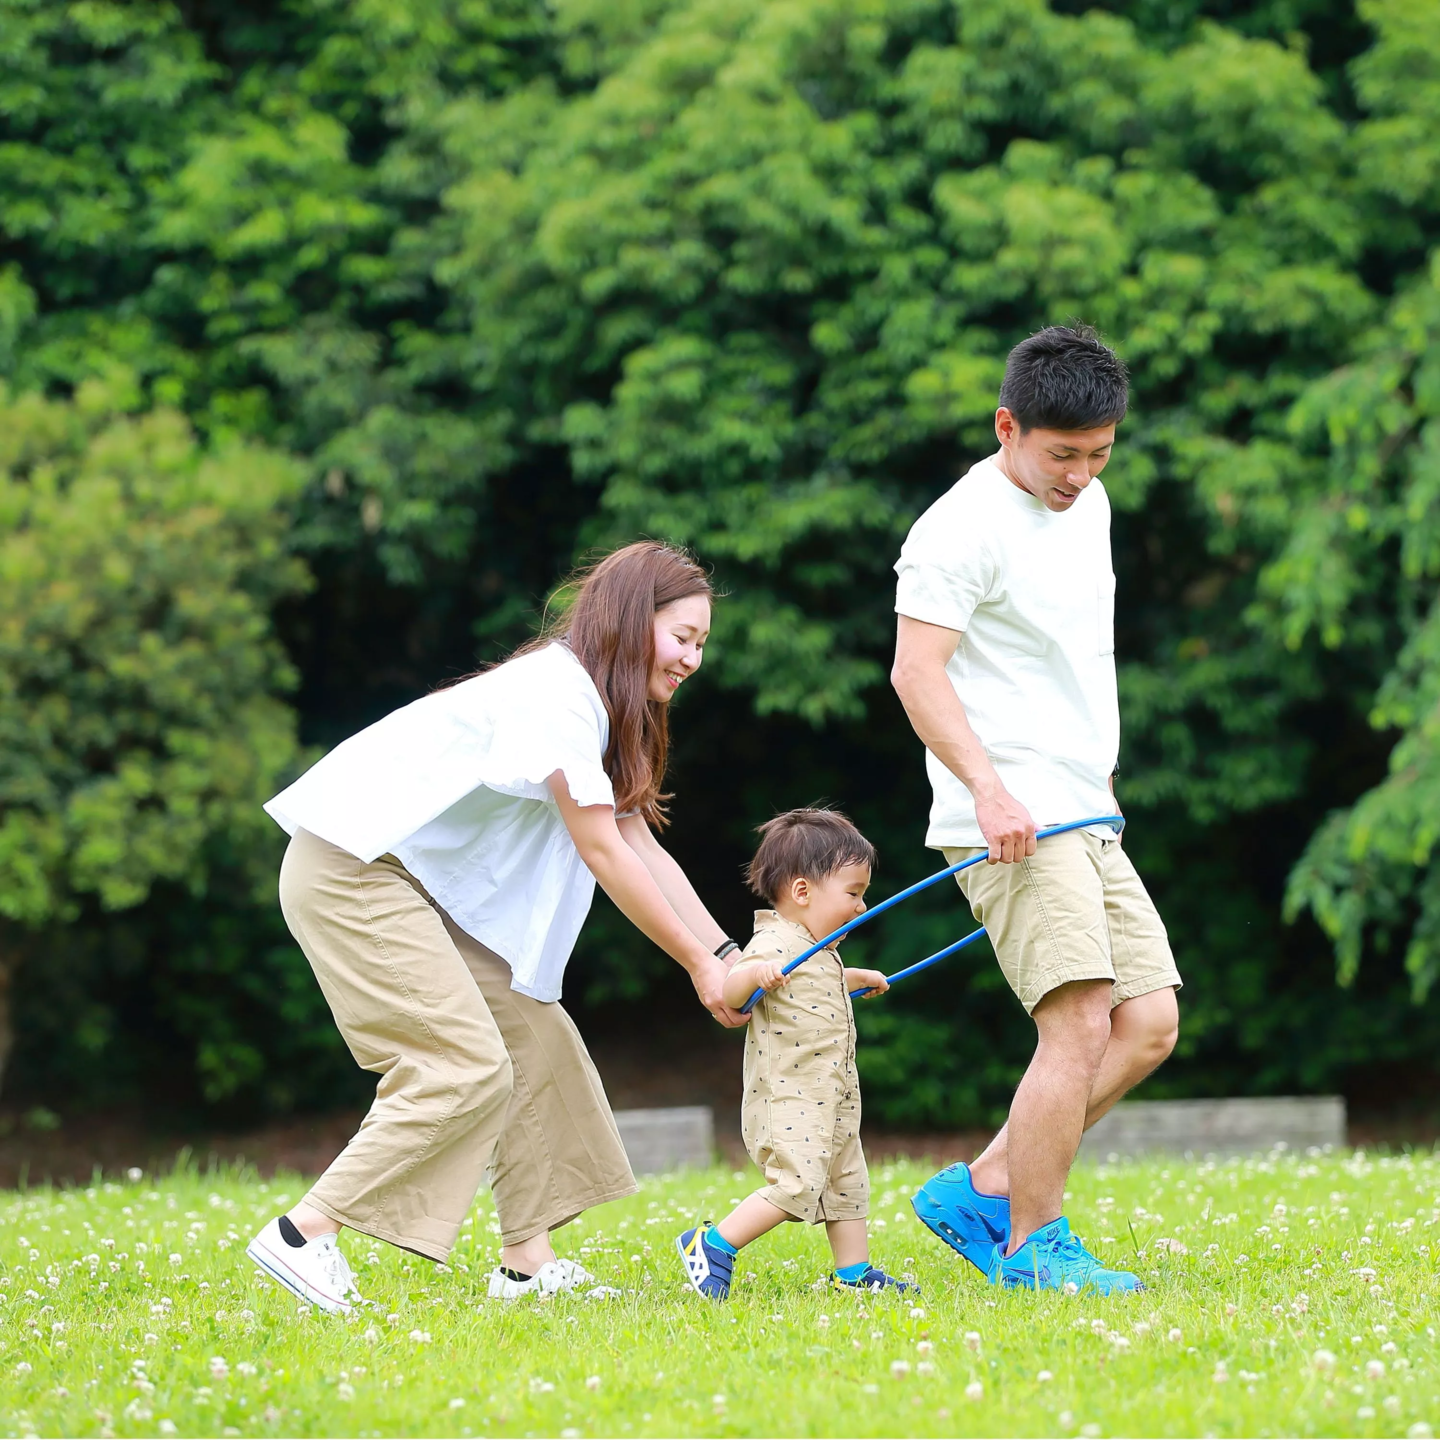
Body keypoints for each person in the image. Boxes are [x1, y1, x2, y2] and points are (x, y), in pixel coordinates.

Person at [244, 542, 747, 1313]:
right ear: (627, 618)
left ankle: (527, 1263)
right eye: (683, 638)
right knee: (462, 1064)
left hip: (417, 885)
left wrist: (723, 954)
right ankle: (303, 1233)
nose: (693, 662)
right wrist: (697, 968)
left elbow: (639, 841)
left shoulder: (598, 710)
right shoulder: (558, 694)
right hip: (352, 869)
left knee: (535, 1037)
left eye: (701, 645)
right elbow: (605, 853)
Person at [891, 326, 1182, 1295]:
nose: (1080, 474)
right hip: (1004, 807)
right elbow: (915, 671)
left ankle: (983, 1188)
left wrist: (1095, 777)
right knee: (1080, 1021)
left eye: (1099, 453)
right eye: (1062, 455)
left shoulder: (1089, 503)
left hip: (1079, 802)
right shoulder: (953, 531)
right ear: (1007, 426)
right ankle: (1032, 1243)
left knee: (1148, 1022)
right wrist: (988, 785)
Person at [676, 809, 909, 1300]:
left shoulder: (820, 949)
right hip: (790, 1094)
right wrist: (752, 975)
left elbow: (812, 983)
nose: (862, 906)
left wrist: (857, 977)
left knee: (846, 1182)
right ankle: (712, 1244)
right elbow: (735, 989)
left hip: (834, 1089)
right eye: (853, 893)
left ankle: (852, 1272)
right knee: (797, 1183)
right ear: (803, 892)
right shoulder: (773, 941)